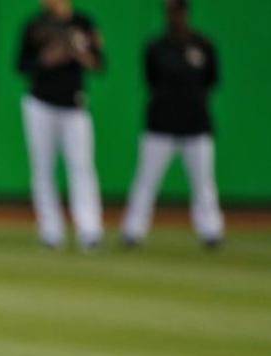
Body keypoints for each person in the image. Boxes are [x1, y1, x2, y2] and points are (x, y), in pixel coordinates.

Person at [121, 0, 223, 249]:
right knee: (146, 180)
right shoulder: (156, 47)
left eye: (177, 11)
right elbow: (150, 80)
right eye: (170, 12)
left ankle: (211, 230)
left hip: (196, 124)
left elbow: (212, 80)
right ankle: (133, 231)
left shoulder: (203, 45)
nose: (174, 17)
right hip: (161, 123)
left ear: (186, 13)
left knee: (204, 182)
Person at [17, 0, 104, 250]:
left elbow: (99, 63)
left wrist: (79, 54)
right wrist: (46, 59)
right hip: (40, 103)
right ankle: (50, 231)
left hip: (74, 105)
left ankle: (89, 229)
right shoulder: (35, 25)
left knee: (81, 167)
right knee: (42, 168)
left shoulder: (83, 23)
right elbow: (21, 64)